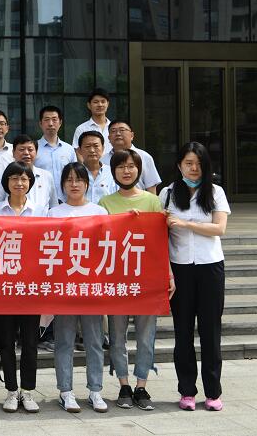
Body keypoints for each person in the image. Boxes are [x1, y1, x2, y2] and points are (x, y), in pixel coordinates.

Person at [98, 149, 173, 411]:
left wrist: (168, 274)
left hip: (147, 280)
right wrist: (122, 222)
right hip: (117, 279)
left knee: (145, 335)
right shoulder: (105, 203)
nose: (126, 171)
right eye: (121, 167)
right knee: (117, 336)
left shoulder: (152, 202)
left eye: (131, 166)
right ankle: (124, 385)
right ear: (113, 171)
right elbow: (100, 240)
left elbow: (161, 242)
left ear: (139, 170)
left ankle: (142, 385)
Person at [160, 142, 230, 412]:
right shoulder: (167, 194)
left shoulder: (215, 192)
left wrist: (186, 223)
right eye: (188, 163)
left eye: (199, 164)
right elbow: (158, 232)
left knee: (211, 332)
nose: (193, 168)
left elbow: (219, 228)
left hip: (210, 267)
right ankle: (187, 391)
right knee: (183, 332)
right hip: (180, 269)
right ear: (179, 165)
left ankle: (213, 393)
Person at [48, 162, 109, 414]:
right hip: (64, 287)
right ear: (63, 184)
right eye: (69, 180)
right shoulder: (53, 213)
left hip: (91, 287)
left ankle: (95, 390)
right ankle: (65, 391)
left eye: (79, 180)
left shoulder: (99, 211)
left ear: (87, 183)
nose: (74, 184)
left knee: (94, 341)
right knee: (64, 341)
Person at [0, 161, 47, 414]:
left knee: (30, 342)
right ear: (6, 182)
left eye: (24, 179)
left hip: (31, 287)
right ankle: (12, 391)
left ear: (30, 183)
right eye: (14, 178)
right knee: (6, 341)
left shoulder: (40, 210)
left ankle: (28, 390)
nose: (19, 183)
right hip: (3, 288)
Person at [0, 134, 57, 211]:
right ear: (13, 153)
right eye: (22, 149)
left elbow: (54, 206)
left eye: (30, 149)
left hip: (41, 218)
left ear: (36, 153)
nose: (26, 153)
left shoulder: (46, 176)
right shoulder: (2, 176)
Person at [101, 121, 161, 194]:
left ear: (132, 135)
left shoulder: (144, 157)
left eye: (122, 130)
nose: (118, 133)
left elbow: (151, 187)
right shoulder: (103, 160)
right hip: (109, 200)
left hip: (138, 200)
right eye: (113, 131)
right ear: (109, 138)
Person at [34, 105, 77, 199]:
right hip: (42, 201)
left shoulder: (69, 149)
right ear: (40, 123)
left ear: (60, 123)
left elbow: (75, 175)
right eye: (46, 120)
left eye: (54, 119)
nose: (50, 124)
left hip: (66, 201)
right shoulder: (33, 149)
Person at [78, 130, 117, 204]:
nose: (92, 150)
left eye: (96, 146)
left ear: (103, 148)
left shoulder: (113, 172)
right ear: (79, 150)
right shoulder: (74, 173)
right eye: (87, 146)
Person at [72, 89, 111, 156]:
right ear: (89, 105)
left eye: (103, 101)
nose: (100, 105)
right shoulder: (81, 129)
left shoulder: (114, 128)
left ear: (107, 104)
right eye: (96, 102)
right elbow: (78, 152)